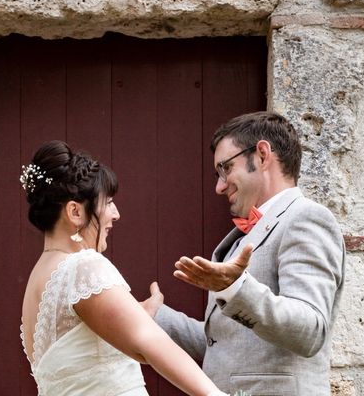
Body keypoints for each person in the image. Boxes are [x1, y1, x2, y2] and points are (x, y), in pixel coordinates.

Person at [143, 111, 346, 396]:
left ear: (262, 155)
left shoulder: (306, 218)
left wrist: (235, 288)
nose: (219, 185)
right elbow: (228, 346)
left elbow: (309, 331)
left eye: (225, 168)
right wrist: (158, 318)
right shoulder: (245, 235)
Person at [19, 140, 227, 396]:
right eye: (107, 202)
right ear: (75, 211)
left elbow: (84, 349)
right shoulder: (82, 267)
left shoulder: (39, 279)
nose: (115, 214)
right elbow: (150, 342)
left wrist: (138, 313)